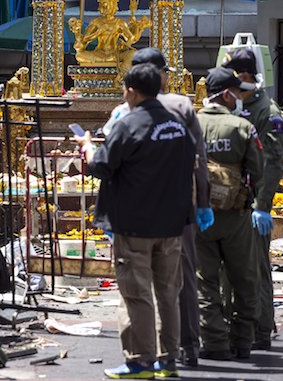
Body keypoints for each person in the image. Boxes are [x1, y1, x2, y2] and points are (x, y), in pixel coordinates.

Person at [76, 63, 195, 379]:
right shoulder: (178, 126)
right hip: (171, 225)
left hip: (135, 224)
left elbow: (101, 166)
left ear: (131, 90)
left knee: (136, 294)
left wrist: (87, 147)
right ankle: (169, 361)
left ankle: (140, 362)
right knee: (168, 292)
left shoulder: (129, 126)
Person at [129, 48, 213, 367]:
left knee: (137, 283)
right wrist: (203, 203)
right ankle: (186, 347)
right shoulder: (181, 105)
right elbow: (199, 160)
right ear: (162, 75)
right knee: (181, 276)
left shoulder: (126, 110)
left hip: (138, 207)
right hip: (179, 204)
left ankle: (143, 353)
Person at [195, 67, 263, 361]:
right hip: (236, 217)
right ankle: (242, 342)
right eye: (236, 92)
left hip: (199, 216)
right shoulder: (242, 127)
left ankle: (214, 343)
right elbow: (257, 172)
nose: (239, 97)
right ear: (226, 94)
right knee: (244, 279)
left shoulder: (190, 125)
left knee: (204, 282)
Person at [221, 48, 283, 350]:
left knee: (256, 267)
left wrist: (263, 205)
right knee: (231, 269)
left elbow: (273, 162)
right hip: (234, 202)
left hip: (254, 202)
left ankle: (261, 328)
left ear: (246, 77)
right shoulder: (235, 105)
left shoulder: (267, 112)